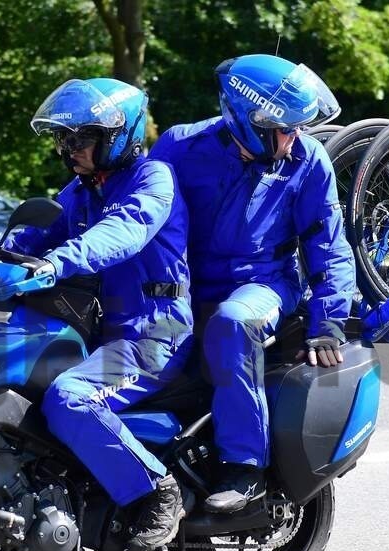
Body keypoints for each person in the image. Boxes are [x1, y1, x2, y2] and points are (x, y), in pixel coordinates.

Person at [0, 78, 193, 551]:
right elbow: (16, 248)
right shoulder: (80, 192)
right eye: (63, 139)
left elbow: (123, 231)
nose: (68, 149)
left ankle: (157, 491)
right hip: (97, 333)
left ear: (118, 135)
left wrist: (58, 262)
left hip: (151, 335)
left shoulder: (153, 179)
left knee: (70, 399)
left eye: (80, 139)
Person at [149, 54, 356, 514]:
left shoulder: (308, 159)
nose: (294, 137)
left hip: (263, 284)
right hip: (183, 288)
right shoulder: (181, 147)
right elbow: (134, 209)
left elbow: (328, 247)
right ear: (249, 121)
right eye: (286, 128)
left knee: (232, 322)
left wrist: (328, 323)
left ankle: (244, 467)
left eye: (297, 128)